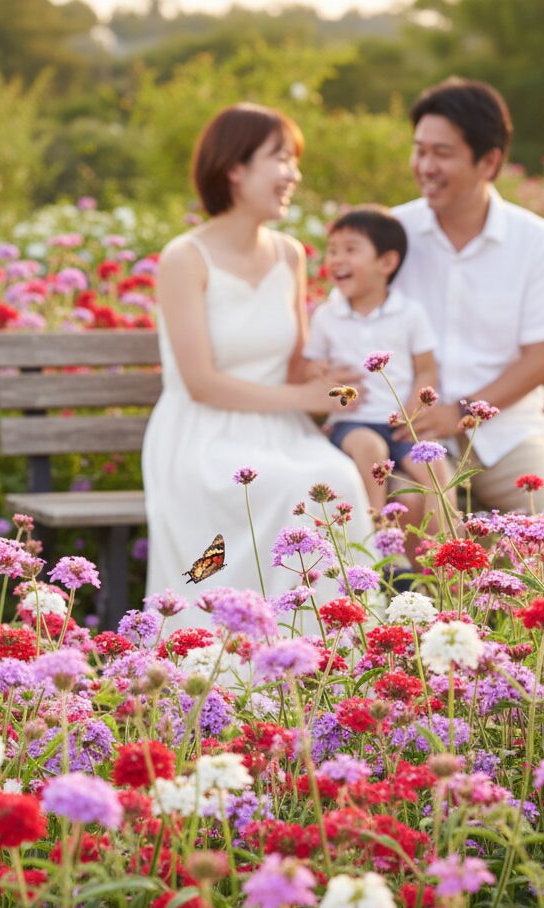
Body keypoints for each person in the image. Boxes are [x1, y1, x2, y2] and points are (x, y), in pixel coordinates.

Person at [142, 103, 373, 620]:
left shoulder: (290, 254)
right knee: (283, 487)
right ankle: (218, 640)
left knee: (335, 478)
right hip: (203, 435)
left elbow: (295, 366)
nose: (294, 174)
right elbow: (200, 382)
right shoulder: (185, 258)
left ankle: (333, 642)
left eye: (295, 161)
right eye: (281, 159)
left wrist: (335, 380)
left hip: (280, 431)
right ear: (234, 167)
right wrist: (302, 396)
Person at [391, 77, 544, 512]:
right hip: (413, 436)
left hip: (506, 436)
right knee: (404, 516)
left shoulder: (537, 241)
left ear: (489, 162)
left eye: (442, 153)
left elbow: (540, 359)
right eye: (420, 150)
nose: (425, 166)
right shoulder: (391, 235)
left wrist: (460, 413)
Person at [304, 205, 453, 555]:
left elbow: (426, 368)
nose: (337, 259)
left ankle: (444, 554)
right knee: (371, 449)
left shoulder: (410, 313)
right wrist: (324, 376)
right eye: (333, 250)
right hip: (351, 424)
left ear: (386, 262)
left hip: (400, 424)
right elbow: (311, 366)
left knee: (434, 467)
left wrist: (414, 408)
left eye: (350, 249)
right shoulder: (328, 316)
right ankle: (372, 545)